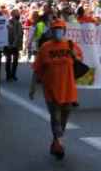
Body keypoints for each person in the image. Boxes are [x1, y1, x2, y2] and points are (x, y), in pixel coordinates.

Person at [29, 19, 83, 159]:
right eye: (55, 29)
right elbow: (37, 68)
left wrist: (74, 56)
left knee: (64, 117)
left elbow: (80, 61)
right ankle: (59, 142)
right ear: (51, 31)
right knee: (55, 117)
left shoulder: (71, 45)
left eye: (60, 29)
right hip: (51, 89)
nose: (58, 31)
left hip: (68, 88)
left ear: (64, 31)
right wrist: (32, 87)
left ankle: (56, 141)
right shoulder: (45, 47)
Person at [4, 8, 23, 81]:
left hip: (16, 45)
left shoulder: (19, 23)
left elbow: (20, 34)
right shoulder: (8, 22)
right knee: (8, 59)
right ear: (12, 14)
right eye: (16, 13)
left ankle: (13, 74)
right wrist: (8, 43)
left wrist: (18, 44)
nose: (18, 14)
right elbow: (6, 33)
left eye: (18, 13)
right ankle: (8, 75)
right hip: (8, 43)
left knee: (15, 60)